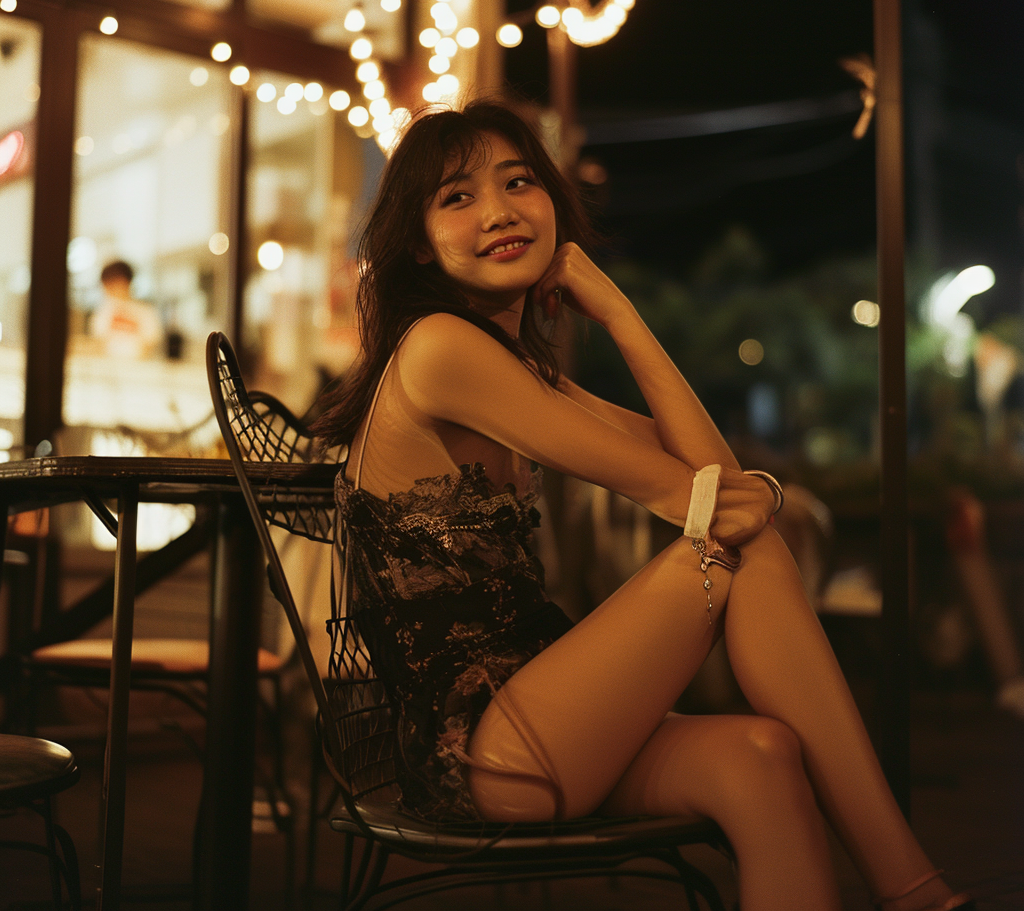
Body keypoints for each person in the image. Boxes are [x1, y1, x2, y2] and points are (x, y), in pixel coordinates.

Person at [314, 102, 972, 911]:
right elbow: (691, 497)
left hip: (548, 709)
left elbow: (709, 475)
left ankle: (911, 888)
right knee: (738, 552)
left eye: (518, 182)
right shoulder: (441, 350)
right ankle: (913, 888)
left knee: (762, 755)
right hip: (481, 752)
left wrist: (621, 313)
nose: (498, 212)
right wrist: (748, 496)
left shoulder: (521, 370)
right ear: (419, 243)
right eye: (457, 197)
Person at [91, 259, 162, 359]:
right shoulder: (103, 311)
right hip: (109, 367)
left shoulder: (146, 311)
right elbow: (98, 342)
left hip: (140, 369)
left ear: (127, 282)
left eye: (115, 283)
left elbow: (151, 344)